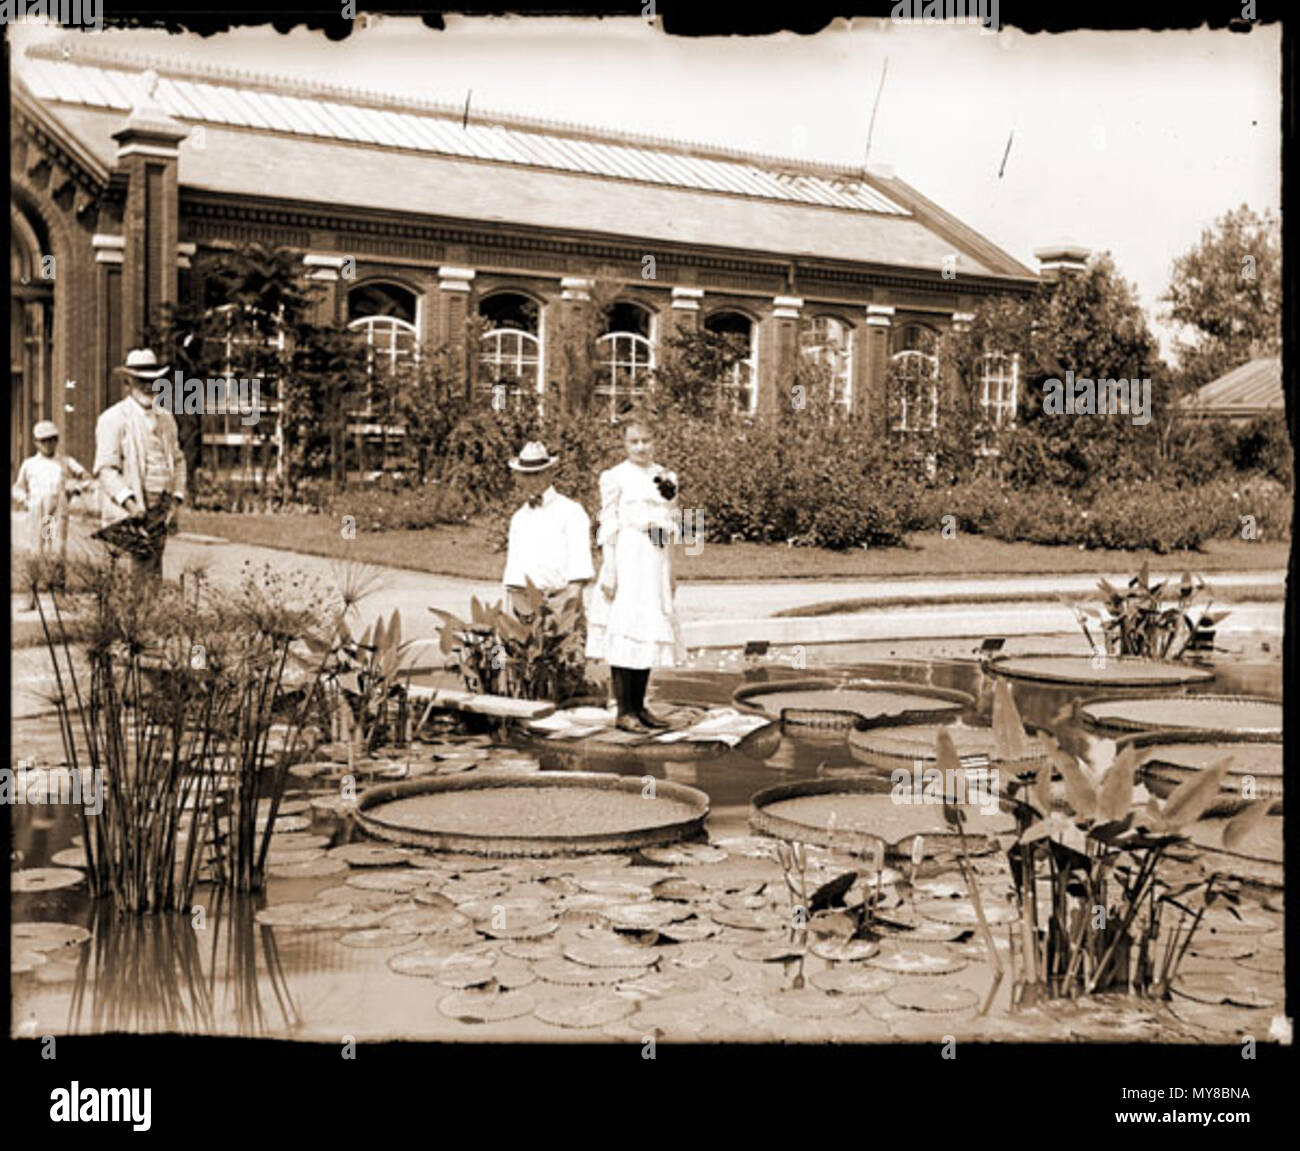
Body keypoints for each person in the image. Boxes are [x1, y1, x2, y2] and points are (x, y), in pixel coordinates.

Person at [585, 412, 685, 733]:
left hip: (651, 558)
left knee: (648, 628)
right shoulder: (615, 477)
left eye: (646, 440)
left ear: (655, 441)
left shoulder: (666, 476)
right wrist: (610, 568)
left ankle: (640, 707)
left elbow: (664, 525)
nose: (641, 447)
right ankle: (623, 710)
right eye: (634, 442)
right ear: (624, 444)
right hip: (627, 555)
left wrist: (666, 566)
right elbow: (610, 525)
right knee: (626, 626)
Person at [93, 348, 187, 576]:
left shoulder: (165, 418)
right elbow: (106, 470)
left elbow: (178, 459)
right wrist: (131, 505)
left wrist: (175, 500)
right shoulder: (113, 419)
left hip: (160, 509)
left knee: (153, 573)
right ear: (127, 383)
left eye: (153, 381)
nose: (148, 387)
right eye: (141, 381)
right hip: (129, 510)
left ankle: (152, 611)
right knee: (129, 574)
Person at [502, 441, 595, 616]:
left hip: (562, 601)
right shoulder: (519, 518)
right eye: (526, 475)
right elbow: (514, 570)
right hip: (525, 605)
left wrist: (567, 606)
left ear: (550, 472)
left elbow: (579, 565)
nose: (532, 480)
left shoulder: (571, 511)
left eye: (537, 474)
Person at [11, 420, 90, 605]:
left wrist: (75, 487)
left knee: (56, 551)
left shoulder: (65, 462)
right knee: (35, 552)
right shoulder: (29, 464)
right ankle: (31, 596)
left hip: (56, 512)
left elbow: (86, 478)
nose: (48, 444)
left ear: (57, 440)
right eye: (43, 441)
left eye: (52, 440)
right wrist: (26, 500)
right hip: (38, 511)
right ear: (36, 443)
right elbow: (18, 488)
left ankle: (59, 595)